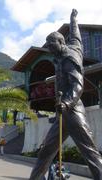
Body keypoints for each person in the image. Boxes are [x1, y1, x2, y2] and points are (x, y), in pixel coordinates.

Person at [29, 9, 102, 180]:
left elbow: (77, 85)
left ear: (60, 42)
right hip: (63, 114)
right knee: (46, 150)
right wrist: (73, 20)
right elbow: (76, 37)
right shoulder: (72, 46)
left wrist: (66, 103)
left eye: (51, 46)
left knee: (89, 151)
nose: (49, 50)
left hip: (73, 111)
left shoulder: (70, 58)